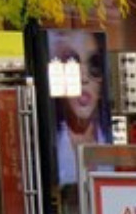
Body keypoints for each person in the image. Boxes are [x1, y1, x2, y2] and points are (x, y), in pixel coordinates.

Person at [48, 30, 112, 186]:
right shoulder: (50, 149)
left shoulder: (110, 145)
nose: (83, 78)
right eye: (72, 65)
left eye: (94, 64)